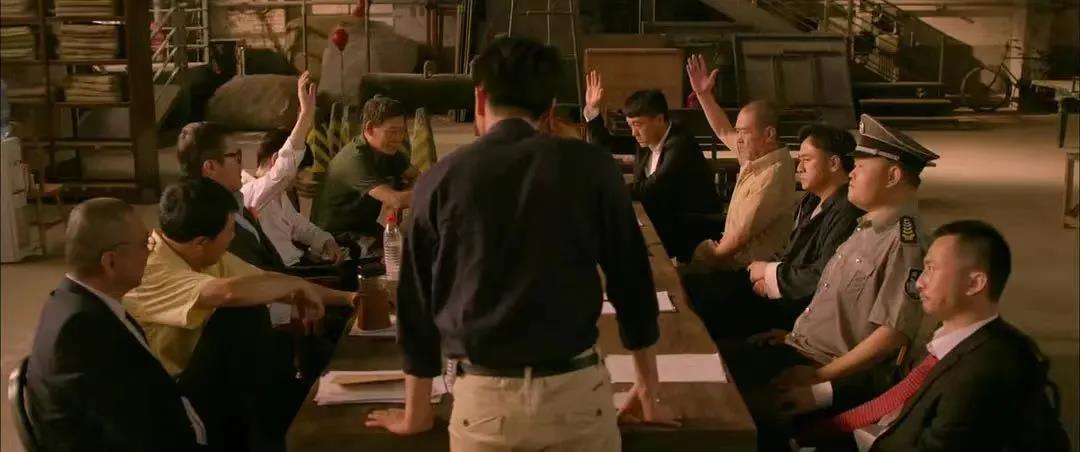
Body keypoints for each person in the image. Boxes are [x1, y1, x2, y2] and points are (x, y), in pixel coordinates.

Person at [365, 37, 680, 450]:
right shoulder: (592, 167)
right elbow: (632, 283)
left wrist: (416, 412)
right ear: (550, 109)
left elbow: (415, 306)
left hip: (485, 406)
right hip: (577, 400)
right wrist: (648, 390)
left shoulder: (439, 180)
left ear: (480, 98)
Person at [719, 114, 938, 451]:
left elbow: (893, 334)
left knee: (718, 397)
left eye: (861, 166)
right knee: (712, 359)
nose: (851, 173)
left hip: (821, 366)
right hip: (800, 346)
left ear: (893, 176)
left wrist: (821, 377)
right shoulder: (867, 227)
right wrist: (792, 335)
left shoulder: (903, 242)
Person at [793, 220, 1070, 452]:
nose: (919, 282)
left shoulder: (983, 373)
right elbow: (900, 379)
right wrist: (817, 393)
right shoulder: (956, 335)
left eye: (932, 269)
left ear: (974, 283)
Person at [123, 178, 355, 452]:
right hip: (174, 392)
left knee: (274, 335)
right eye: (230, 230)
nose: (233, 237)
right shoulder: (151, 267)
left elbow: (265, 280)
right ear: (201, 242)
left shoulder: (201, 253)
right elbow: (227, 293)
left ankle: (296, 414)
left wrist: (349, 298)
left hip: (213, 375)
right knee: (241, 317)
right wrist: (295, 288)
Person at [25, 198, 206, 451]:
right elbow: (134, 434)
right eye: (144, 244)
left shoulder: (72, 301)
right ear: (110, 261)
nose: (150, 252)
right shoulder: (82, 333)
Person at [682, 124, 864, 340]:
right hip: (780, 286)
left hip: (800, 310)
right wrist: (767, 275)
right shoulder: (811, 200)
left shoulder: (847, 211)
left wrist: (770, 275)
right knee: (694, 285)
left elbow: (823, 277)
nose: (799, 168)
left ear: (834, 163)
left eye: (807, 160)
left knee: (705, 300)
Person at [178, 72, 317, 273]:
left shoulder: (235, 201)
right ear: (210, 167)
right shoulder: (217, 216)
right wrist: (304, 117)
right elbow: (282, 172)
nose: (242, 164)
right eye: (236, 156)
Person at [583, 71, 724, 262]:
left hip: (691, 230)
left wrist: (607, 191)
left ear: (659, 119)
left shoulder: (681, 143)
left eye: (637, 124)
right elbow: (606, 144)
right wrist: (592, 110)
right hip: (663, 221)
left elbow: (652, 186)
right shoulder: (648, 138)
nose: (633, 133)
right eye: (630, 125)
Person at [685, 55, 797, 269]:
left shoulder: (774, 174)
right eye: (738, 131)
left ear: (769, 134)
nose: (738, 139)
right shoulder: (755, 154)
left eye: (744, 132)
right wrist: (703, 95)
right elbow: (723, 130)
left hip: (749, 273)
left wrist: (706, 261)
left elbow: (738, 238)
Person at [313, 94, 420, 238]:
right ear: (369, 128)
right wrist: (434, 192)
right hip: (335, 236)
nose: (398, 138)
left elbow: (418, 176)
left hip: (364, 227)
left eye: (402, 131)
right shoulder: (355, 159)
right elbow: (396, 200)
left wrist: (406, 192)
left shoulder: (388, 151)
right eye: (392, 132)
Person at [245, 129, 344, 267]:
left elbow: (300, 225)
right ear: (276, 161)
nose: (300, 178)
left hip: (298, 263)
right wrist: (305, 118)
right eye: (298, 170)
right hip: (281, 272)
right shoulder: (250, 193)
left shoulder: (280, 195)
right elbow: (281, 172)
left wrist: (326, 240)